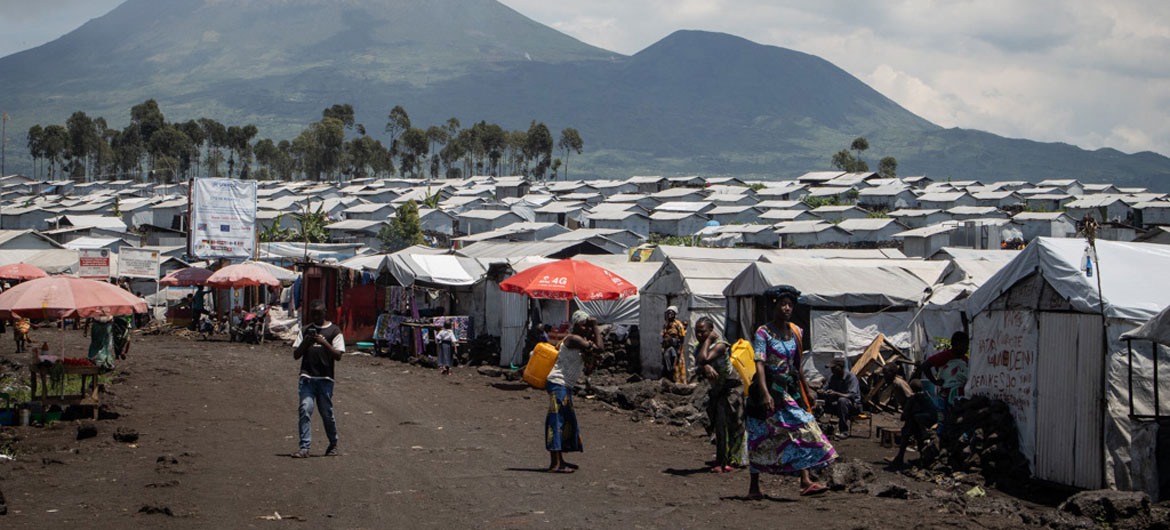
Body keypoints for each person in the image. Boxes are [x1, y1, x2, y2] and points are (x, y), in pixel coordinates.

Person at [746, 285, 835, 498]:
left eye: (790, 305)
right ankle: (754, 487)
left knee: (802, 427)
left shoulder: (795, 332)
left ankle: (805, 480)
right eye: (783, 304)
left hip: (789, 390)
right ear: (774, 306)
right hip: (767, 390)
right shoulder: (763, 332)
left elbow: (798, 365)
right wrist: (766, 394)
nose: (787, 308)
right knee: (761, 435)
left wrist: (807, 390)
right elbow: (759, 363)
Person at [543, 310, 602, 473]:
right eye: (584, 326)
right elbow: (599, 348)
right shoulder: (573, 339)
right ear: (576, 326)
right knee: (557, 421)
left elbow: (589, 368)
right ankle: (555, 464)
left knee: (565, 421)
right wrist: (596, 327)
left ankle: (560, 460)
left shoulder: (581, 342)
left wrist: (591, 362)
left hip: (565, 386)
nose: (587, 329)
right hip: (558, 383)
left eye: (588, 326)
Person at [292, 300, 345, 458]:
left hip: (325, 378)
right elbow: (296, 354)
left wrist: (324, 343)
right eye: (313, 313)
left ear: (325, 312)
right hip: (307, 376)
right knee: (305, 409)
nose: (316, 316)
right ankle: (304, 447)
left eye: (319, 313)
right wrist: (307, 342)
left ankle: (333, 443)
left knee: (326, 412)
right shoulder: (305, 330)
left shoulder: (334, 331)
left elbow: (338, 355)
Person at [694, 317, 746, 473]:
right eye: (697, 331)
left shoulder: (721, 345)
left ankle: (732, 460)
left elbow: (703, 358)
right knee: (718, 423)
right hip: (718, 389)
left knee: (733, 423)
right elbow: (700, 361)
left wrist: (709, 343)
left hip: (732, 388)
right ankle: (723, 460)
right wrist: (706, 367)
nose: (699, 335)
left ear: (711, 331)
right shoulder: (700, 346)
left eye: (703, 332)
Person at [920, 331, 969, 432]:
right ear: (955, 344)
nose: (966, 348)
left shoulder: (965, 359)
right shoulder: (945, 356)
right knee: (944, 420)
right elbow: (926, 365)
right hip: (946, 395)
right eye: (964, 345)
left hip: (961, 396)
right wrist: (935, 381)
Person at [888, 379, 937, 468]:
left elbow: (906, 412)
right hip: (924, 421)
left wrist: (905, 415)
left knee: (906, 436)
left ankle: (900, 458)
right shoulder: (927, 396)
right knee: (919, 439)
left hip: (917, 422)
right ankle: (923, 460)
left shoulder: (914, 398)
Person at [820, 358, 862, 439]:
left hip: (853, 406)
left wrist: (836, 393)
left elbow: (852, 395)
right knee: (817, 399)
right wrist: (822, 392)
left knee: (842, 400)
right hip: (837, 404)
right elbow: (825, 388)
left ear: (840, 367)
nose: (832, 371)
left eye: (834, 368)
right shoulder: (833, 377)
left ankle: (844, 431)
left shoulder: (851, 378)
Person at [661, 306, 687, 383]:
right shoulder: (666, 324)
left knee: (677, 365)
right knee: (667, 364)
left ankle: (679, 382)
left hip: (676, 347)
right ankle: (669, 380)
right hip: (668, 347)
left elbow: (682, 338)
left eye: (671, 314)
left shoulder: (678, 324)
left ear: (675, 314)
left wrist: (679, 349)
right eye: (668, 313)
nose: (669, 315)